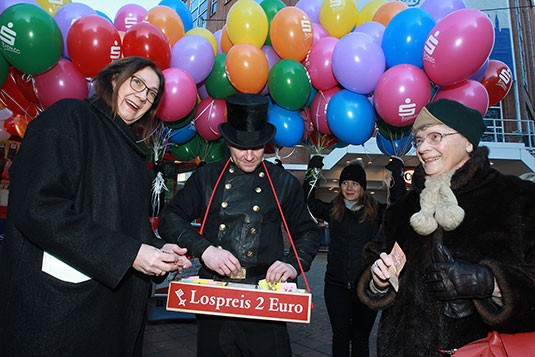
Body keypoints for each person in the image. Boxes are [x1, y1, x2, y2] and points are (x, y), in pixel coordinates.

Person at [0, 56, 191, 356]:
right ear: (113, 79)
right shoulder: (69, 117)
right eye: (137, 83)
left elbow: (125, 227)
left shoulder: (134, 155)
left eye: (151, 94)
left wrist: (158, 251)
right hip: (59, 317)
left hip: (108, 318)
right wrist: (131, 255)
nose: (142, 96)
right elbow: (38, 207)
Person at [357, 99, 535, 356]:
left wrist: (490, 284)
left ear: (468, 142)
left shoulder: (519, 199)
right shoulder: (401, 210)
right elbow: (372, 264)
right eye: (419, 140)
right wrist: (378, 281)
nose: (423, 148)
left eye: (435, 136)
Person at [158, 93, 320, 357]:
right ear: (228, 142)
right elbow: (169, 218)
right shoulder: (206, 177)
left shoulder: (282, 182)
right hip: (216, 297)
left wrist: (293, 263)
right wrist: (205, 250)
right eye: (240, 147)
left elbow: (307, 232)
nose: (248, 155)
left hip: (264, 297)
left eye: (256, 147)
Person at [304, 155, 405, 356]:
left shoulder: (375, 210)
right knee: (340, 338)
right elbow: (306, 200)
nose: (349, 188)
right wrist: (313, 169)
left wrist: (397, 177)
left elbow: (399, 208)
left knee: (360, 339)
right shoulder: (333, 210)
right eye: (345, 183)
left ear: (363, 186)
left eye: (355, 183)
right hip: (335, 285)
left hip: (365, 286)